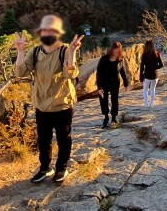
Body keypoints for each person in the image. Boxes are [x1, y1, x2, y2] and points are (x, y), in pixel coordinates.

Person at [13, 15, 83, 184]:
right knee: (43, 140)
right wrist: (21, 51)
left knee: (63, 138)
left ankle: (61, 168)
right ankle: (45, 168)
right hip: (41, 104)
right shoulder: (35, 51)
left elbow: (70, 74)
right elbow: (19, 73)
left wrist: (72, 52)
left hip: (61, 104)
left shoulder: (64, 50)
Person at [96, 42, 130, 128]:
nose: (116, 52)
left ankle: (114, 117)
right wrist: (99, 87)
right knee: (104, 100)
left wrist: (126, 84)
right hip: (104, 83)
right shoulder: (104, 59)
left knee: (114, 100)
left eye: (118, 51)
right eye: (115, 50)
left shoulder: (120, 59)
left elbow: (122, 72)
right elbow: (98, 74)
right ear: (112, 49)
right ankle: (106, 117)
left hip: (115, 83)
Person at [139, 40, 164, 107]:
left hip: (147, 74)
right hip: (155, 75)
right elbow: (162, 65)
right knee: (152, 89)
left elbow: (142, 66)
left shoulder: (144, 54)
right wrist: (155, 67)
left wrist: (140, 76)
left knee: (145, 89)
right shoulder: (157, 53)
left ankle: (146, 104)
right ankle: (151, 104)